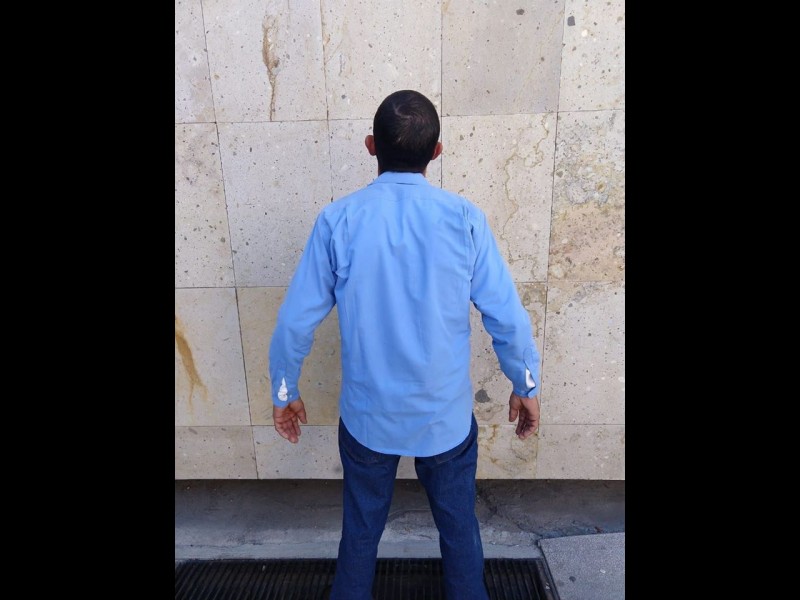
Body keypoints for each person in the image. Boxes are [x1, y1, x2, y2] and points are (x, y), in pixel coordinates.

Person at [269, 89, 541, 600]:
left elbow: (293, 322)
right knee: (459, 531)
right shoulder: (465, 219)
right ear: (437, 152)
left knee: (360, 534)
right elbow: (507, 316)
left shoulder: (338, 220)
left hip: (368, 419)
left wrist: (285, 390)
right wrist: (525, 384)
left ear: (370, 146)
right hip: (444, 419)